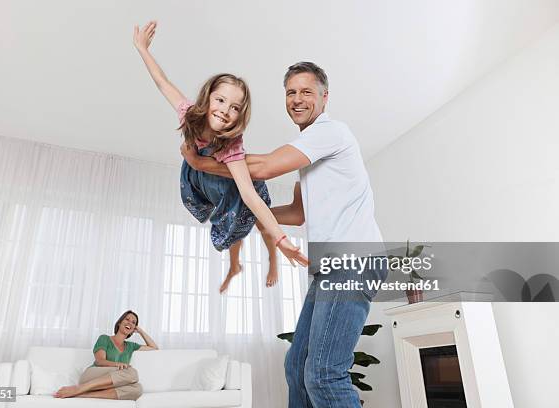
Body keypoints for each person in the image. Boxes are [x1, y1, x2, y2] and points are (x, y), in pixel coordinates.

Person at [181, 62, 387, 408]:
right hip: (330, 269)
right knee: (296, 367)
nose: (297, 99)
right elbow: (297, 212)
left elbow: (262, 166)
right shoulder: (311, 153)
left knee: (323, 374)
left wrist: (203, 164)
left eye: (306, 91)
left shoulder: (330, 131)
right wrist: (244, 217)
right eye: (291, 92)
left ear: (324, 97)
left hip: (353, 260)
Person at [133, 20, 308, 293]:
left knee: (250, 218)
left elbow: (249, 195)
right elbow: (162, 82)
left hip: (234, 187)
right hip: (207, 183)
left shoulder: (231, 145)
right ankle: (235, 266)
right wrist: (143, 48)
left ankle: (275, 251)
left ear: (241, 115)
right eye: (221, 100)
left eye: (235, 107)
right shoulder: (189, 114)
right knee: (230, 229)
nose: (226, 110)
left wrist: (282, 240)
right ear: (208, 98)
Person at [54, 310, 158, 400]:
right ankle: (80, 388)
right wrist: (117, 364)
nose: (130, 323)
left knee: (138, 389)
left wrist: (140, 331)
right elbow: (100, 361)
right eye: (127, 319)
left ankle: (83, 395)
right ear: (119, 323)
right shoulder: (105, 339)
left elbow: (154, 348)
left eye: (133, 322)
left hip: (109, 384)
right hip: (92, 376)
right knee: (132, 373)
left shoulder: (131, 346)